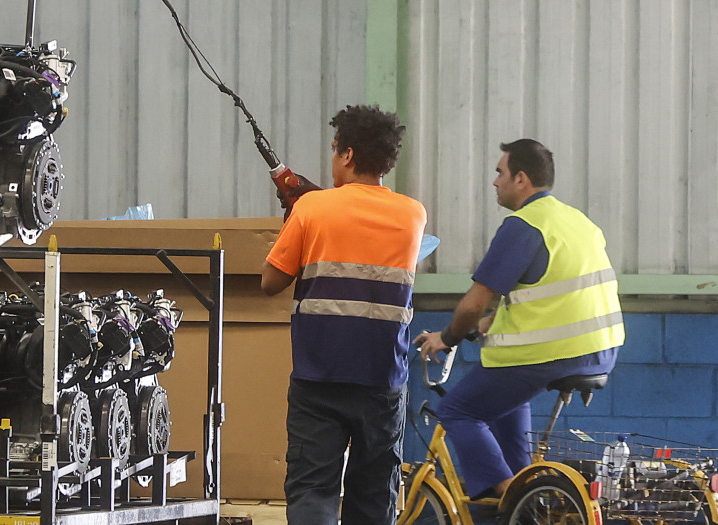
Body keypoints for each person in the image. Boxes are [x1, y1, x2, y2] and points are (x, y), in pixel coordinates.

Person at [412, 139, 624, 501]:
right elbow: (548, 293)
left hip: (552, 353)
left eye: (500, 172)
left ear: (521, 179)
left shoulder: (523, 226)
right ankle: (526, 494)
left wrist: (446, 337)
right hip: (601, 350)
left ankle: (511, 498)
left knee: (457, 410)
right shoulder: (577, 221)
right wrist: (488, 324)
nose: (495, 181)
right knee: (509, 399)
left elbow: (472, 305)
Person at [261, 104, 427, 524]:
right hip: (381, 382)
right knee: (373, 499)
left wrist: (295, 218)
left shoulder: (312, 210)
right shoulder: (413, 215)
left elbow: (270, 282)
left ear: (348, 155)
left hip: (319, 379)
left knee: (313, 490)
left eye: (335, 151)